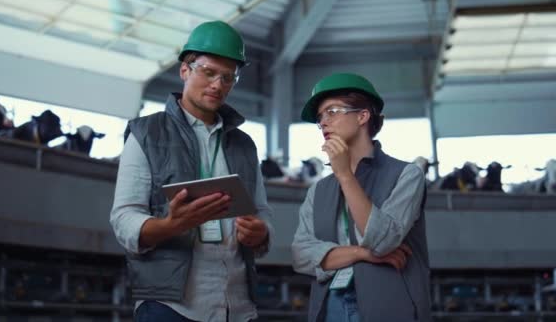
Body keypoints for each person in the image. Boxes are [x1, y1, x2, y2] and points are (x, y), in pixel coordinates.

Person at [110, 20, 274, 322]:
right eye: (209, 72)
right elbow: (124, 219)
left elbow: (261, 212)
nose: (218, 85)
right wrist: (170, 225)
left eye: (228, 77)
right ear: (185, 70)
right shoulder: (146, 133)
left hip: (237, 307)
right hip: (170, 306)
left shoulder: (245, 145)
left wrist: (260, 232)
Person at [291, 73, 431, 321]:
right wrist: (362, 253)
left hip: (389, 305)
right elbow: (301, 256)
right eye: (320, 117)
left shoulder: (407, 175)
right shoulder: (318, 190)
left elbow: (383, 241)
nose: (323, 122)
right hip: (329, 307)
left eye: (332, 111)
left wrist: (345, 175)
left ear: (362, 116)